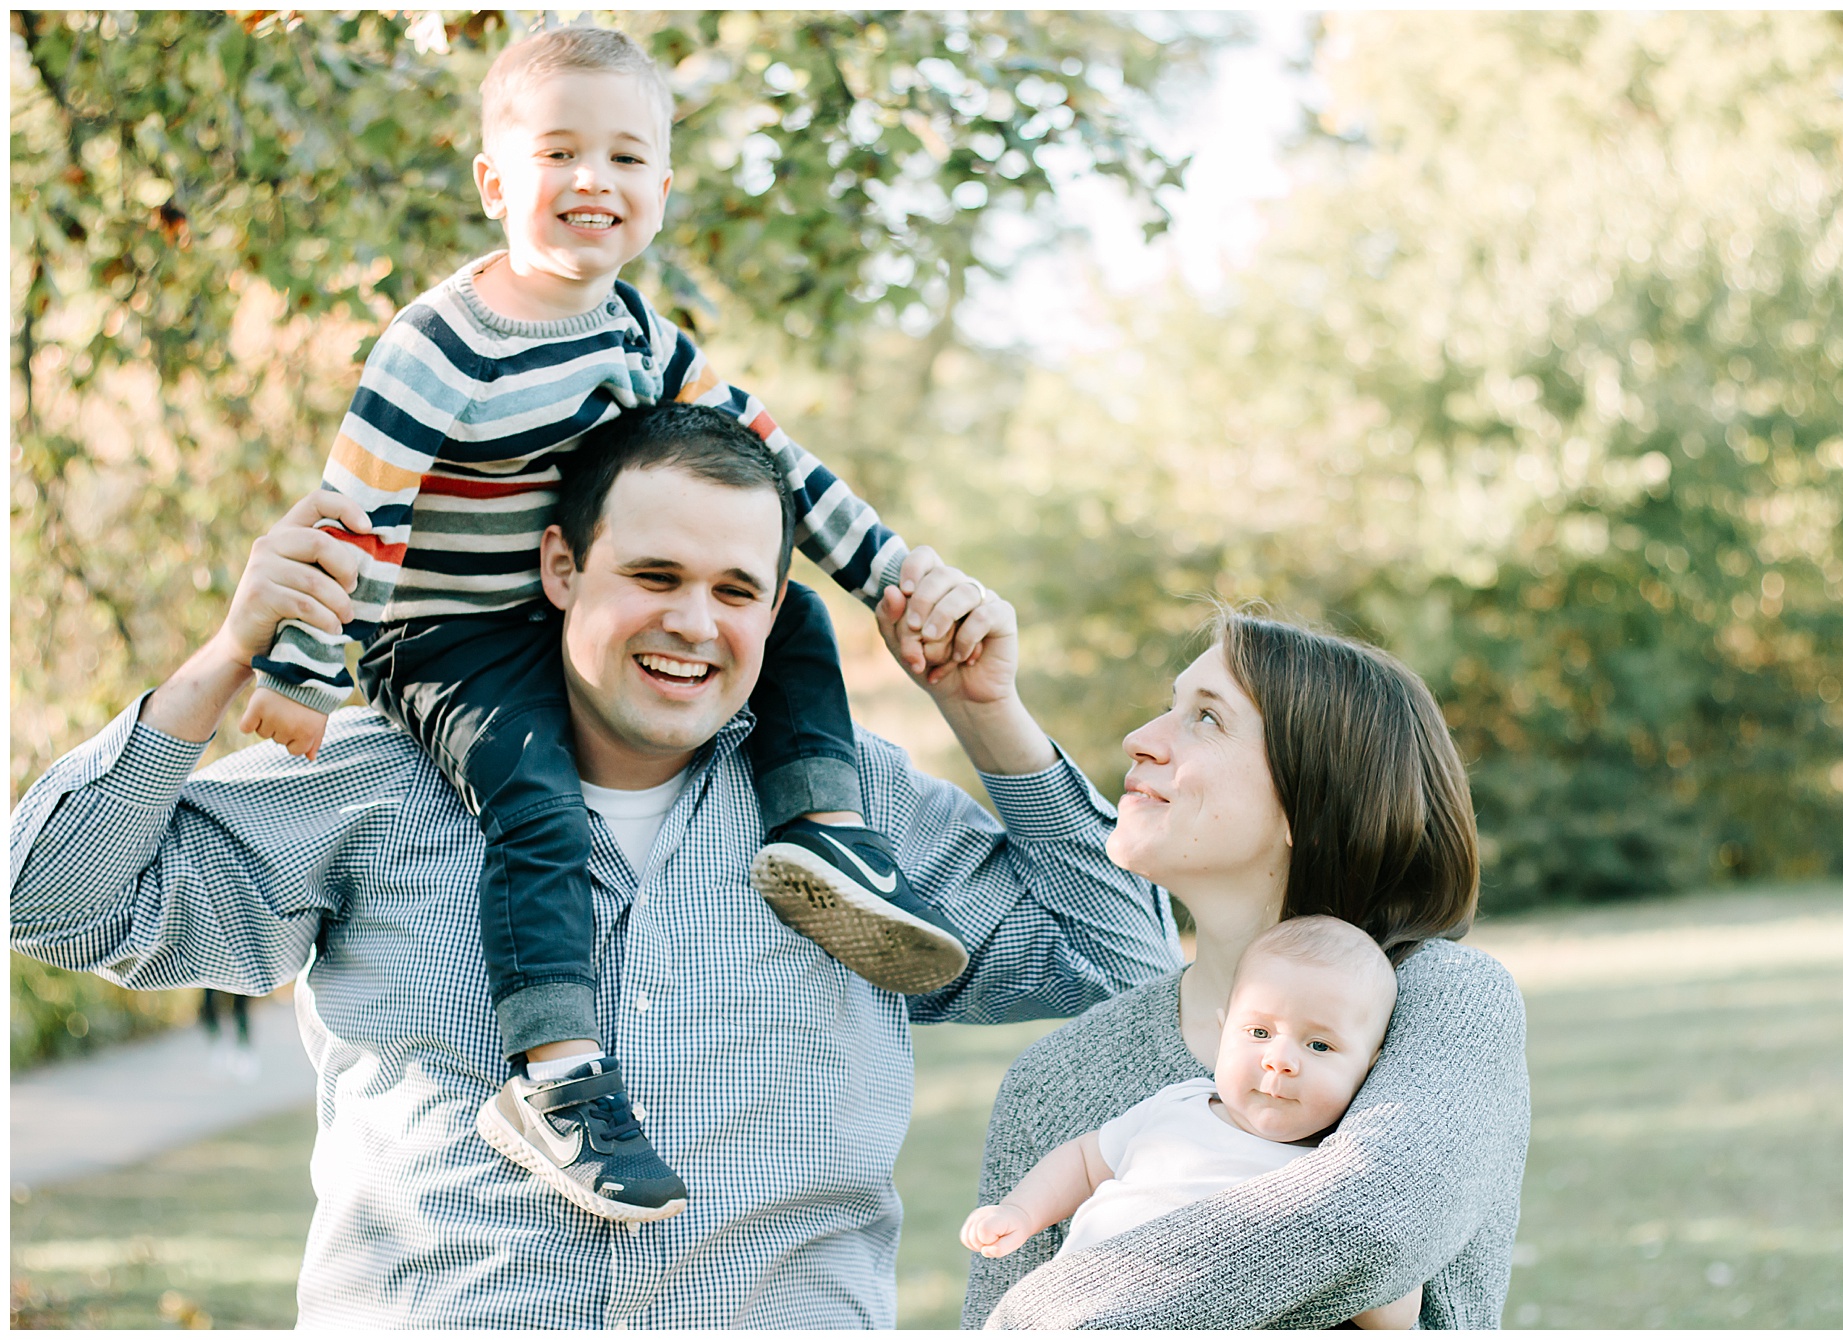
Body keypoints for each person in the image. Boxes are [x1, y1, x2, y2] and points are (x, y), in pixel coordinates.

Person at [8, 403, 1183, 1328]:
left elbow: (1122, 967)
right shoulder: (384, 776)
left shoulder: (857, 810)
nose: (693, 624)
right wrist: (223, 659)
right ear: (563, 568)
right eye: (654, 577)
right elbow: (48, 900)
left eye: (735, 592)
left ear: (777, 609)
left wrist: (988, 715)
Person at [234, 25, 978, 1219]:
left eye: (627, 159)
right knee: (535, 802)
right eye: (559, 151)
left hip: (550, 606)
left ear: (661, 190)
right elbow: (354, 507)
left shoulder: (636, 332)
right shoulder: (440, 344)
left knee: (774, 605)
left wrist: (892, 573)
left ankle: (820, 824)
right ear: (494, 180)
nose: (594, 180)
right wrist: (298, 668)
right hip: (442, 638)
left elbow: (773, 465)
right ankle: (554, 1077)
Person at [962, 613, 1530, 1329]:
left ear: (1310, 798)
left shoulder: (1444, 1002)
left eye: (1205, 718)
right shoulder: (1059, 1075)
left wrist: (1042, 1319)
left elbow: (1372, 1218)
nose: (1141, 739)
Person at [960, 916, 1423, 1331]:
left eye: (1319, 1045)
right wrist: (1019, 1212)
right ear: (1224, 1033)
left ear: (1370, 1067)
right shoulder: (1179, 1105)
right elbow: (1083, 1163)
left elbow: (1393, 1316)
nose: (1278, 1060)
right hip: (1083, 1304)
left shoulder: (1332, 1169)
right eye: (1259, 1032)